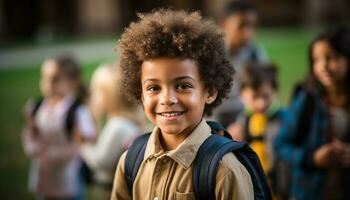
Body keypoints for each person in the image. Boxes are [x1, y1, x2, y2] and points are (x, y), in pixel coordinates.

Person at [110, 9, 255, 200]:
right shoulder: (130, 161)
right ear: (141, 94)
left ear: (210, 91)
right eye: (153, 88)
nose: (167, 99)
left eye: (183, 86)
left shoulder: (225, 170)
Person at [274, 26, 350, 200]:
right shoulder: (307, 99)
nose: (323, 66)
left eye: (331, 57)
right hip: (309, 193)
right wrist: (312, 158)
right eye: (316, 60)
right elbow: (281, 144)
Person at [21, 54, 96, 200]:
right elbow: (29, 135)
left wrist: (80, 138)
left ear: (72, 82)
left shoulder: (77, 111)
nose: (48, 84)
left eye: (55, 79)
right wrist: (34, 150)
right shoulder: (36, 108)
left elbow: (88, 137)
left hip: (69, 176)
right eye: (45, 78)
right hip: (43, 173)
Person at [227, 62, 289, 198]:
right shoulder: (242, 120)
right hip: (254, 188)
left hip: (281, 187)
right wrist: (231, 140)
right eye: (255, 97)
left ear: (274, 90)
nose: (261, 103)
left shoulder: (284, 118)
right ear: (242, 95)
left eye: (266, 96)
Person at [79, 64, 141, 198]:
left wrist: (83, 146)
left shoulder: (116, 126)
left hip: (113, 188)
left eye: (96, 91)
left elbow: (101, 162)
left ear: (110, 96)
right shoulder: (125, 121)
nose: (92, 97)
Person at [213, 0, 268, 127]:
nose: (248, 33)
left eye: (252, 26)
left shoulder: (255, 53)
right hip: (214, 115)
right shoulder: (210, 55)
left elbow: (266, 90)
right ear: (223, 24)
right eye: (242, 25)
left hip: (245, 114)